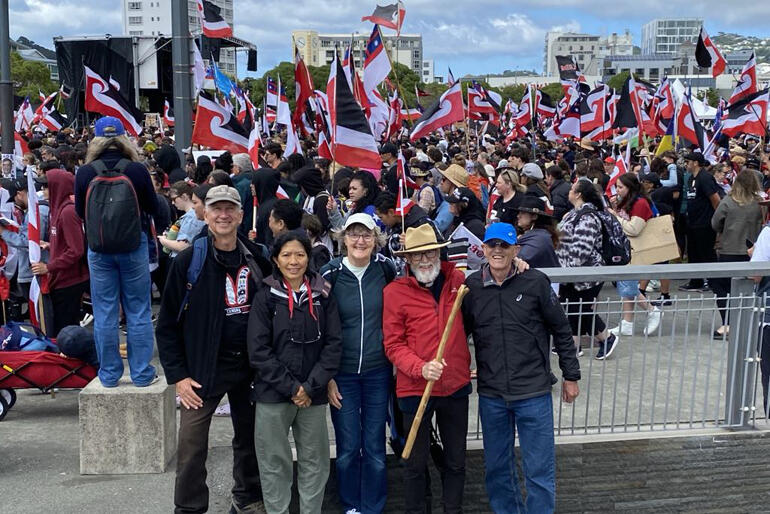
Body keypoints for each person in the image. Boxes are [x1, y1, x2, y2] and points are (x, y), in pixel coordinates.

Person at [156, 185, 270, 514]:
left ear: (240, 214)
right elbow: (166, 326)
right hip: (203, 369)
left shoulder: (257, 255)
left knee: (250, 438)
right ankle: (189, 508)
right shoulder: (191, 259)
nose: (223, 215)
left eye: (229, 209)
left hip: (249, 366)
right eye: (216, 208)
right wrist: (179, 376)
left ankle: (248, 497)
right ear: (204, 214)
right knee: (191, 445)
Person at [461, 222, 580, 513]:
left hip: (533, 391)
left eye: (504, 245)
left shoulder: (536, 281)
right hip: (492, 395)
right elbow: (457, 335)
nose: (497, 251)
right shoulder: (472, 287)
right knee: (497, 469)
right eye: (492, 245)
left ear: (516, 250)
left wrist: (571, 375)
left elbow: (561, 329)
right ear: (484, 248)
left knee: (539, 471)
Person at [247, 231, 342, 514]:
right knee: (274, 461)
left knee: (315, 461)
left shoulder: (323, 293)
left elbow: (334, 343)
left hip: (312, 394)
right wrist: (292, 388)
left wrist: (311, 386)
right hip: (273, 394)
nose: (293, 261)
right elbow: (258, 350)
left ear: (308, 257)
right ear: (275, 259)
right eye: (286, 255)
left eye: (300, 254)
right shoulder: (265, 297)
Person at [383, 224, 471, 514]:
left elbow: (496, 270)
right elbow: (393, 344)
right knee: (415, 465)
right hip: (414, 388)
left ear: (439, 252)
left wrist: (518, 263)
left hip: (455, 386)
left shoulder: (457, 281)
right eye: (417, 255)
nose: (424, 260)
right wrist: (420, 368)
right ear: (407, 259)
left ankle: (452, 510)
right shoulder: (394, 292)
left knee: (456, 460)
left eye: (430, 252)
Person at [73, 116, 158, 388]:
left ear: (95, 140)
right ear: (123, 138)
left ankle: (109, 374)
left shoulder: (86, 172)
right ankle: (142, 373)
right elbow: (153, 208)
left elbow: (79, 213)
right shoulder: (136, 169)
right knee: (138, 310)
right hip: (134, 246)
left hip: (99, 249)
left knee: (105, 311)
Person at [321, 213, 396, 514]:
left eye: (366, 235)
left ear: (376, 239)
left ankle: (373, 506)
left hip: (378, 371)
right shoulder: (331, 273)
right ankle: (351, 505)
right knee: (349, 447)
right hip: (343, 374)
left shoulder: (386, 269)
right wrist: (327, 376)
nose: (360, 240)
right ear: (343, 239)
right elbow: (319, 327)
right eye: (353, 234)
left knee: (376, 446)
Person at [557, 179, 617, 359]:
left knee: (581, 310)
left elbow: (581, 250)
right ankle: (575, 347)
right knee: (575, 309)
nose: (569, 190)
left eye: (573, 188)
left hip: (584, 274)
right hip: (572, 274)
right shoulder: (575, 214)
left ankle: (607, 337)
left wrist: (567, 269)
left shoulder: (588, 217)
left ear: (578, 194)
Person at [30, 169, 89, 335]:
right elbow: (68, 243)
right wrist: (50, 245)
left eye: (47, 186)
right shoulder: (55, 210)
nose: (44, 191)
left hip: (70, 281)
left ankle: (70, 359)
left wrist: (48, 267)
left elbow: (76, 250)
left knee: (65, 329)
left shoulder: (67, 212)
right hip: (62, 278)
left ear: (58, 187)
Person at [607, 174, 662, 338]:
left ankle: (651, 310)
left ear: (630, 187)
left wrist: (615, 216)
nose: (617, 190)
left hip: (637, 250)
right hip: (628, 250)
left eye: (620, 187)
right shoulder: (629, 202)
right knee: (626, 283)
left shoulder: (640, 203)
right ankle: (628, 323)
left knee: (627, 283)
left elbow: (633, 229)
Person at [711, 169, 764, 338]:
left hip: (729, 249)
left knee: (722, 287)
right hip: (752, 251)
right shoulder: (760, 203)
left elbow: (715, 223)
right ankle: (747, 322)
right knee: (750, 288)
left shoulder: (728, 201)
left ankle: (728, 323)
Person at [679, 152, 721, 292]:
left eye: (688, 161)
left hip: (705, 223)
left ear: (695, 163)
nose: (686, 164)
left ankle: (712, 281)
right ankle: (695, 280)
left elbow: (715, 200)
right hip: (692, 222)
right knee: (693, 253)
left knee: (707, 253)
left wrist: (717, 221)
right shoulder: (691, 178)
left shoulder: (705, 178)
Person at [160, 181, 206, 257]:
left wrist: (164, 241)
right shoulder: (192, 215)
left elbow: (183, 246)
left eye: (174, 199)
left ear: (184, 196)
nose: (172, 203)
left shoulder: (191, 217)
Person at [516, 195, 560, 269]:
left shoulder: (540, 238)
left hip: (545, 278)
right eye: (519, 212)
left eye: (523, 213)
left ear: (534, 217)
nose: (518, 216)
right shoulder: (534, 235)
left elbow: (522, 257)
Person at [251, 168, 281, 247]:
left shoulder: (268, 209)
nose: (251, 186)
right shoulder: (270, 204)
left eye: (254, 182)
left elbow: (269, 239)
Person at [435, 163, 468, 233]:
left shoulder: (450, 205)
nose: (441, 182)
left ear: (452, 183)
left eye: (443, 179)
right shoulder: (451, 202)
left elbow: (437, 227)